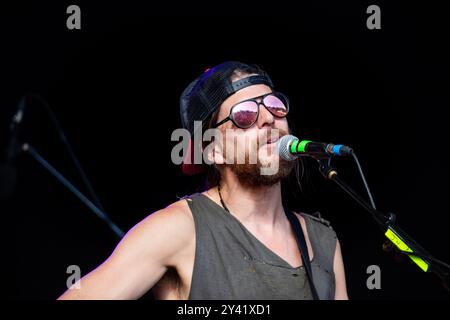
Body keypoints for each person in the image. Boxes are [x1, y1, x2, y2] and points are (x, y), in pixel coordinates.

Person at [58, 61, 348, 300]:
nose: (267, 119)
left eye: (275, 105)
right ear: (214, 150)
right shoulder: (178, 229)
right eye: (245, 115)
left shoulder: (322, 240)